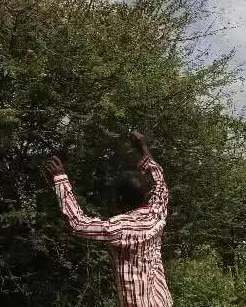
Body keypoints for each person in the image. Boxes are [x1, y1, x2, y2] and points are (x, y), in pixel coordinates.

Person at [44, 131, 173, 307]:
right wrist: (143, 148)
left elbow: (78, 223)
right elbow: (160, 182)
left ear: (120, 199)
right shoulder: (158, 211)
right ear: (145, 194)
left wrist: (60, 178)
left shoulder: (120, 228)